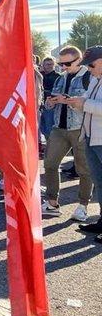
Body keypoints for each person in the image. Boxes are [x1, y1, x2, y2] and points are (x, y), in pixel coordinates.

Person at [42, 46, 93, 222]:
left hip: (80, 129)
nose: (63, 67)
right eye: (60, 63)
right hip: (59, 128)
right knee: (49, 164)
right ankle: (52, 203)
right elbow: (50, 105)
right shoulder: (60, 78)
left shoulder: (90, 77)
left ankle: (82, 206)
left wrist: (68, 101)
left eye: (67, 64)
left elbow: (90, 105)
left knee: (84, 170)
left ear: (79, 60)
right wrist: (51, 102)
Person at [67, 46, 102, 243]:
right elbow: (87, 102)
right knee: (99, 183)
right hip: (91, 138)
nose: (88, 68)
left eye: (92, 64)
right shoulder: (95, 79)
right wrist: (76, 102)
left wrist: (84, 104)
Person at [40, 57, 59, 140]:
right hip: (39, 105)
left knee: (49, 128)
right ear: (43, 65)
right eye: (47, 64)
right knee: (41, 127)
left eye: (51, 64)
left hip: (51, 106)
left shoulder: (58, 77)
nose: (49, 66)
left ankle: (50, 146)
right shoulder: (39, 75)